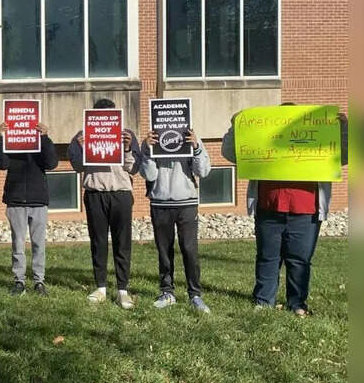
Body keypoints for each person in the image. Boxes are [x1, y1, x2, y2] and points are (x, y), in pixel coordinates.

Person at [222, 105, 348, 316]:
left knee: (300, 259)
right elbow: (231, 153)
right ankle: (263, 302)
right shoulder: (263, 141)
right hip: (268, 207)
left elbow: (343, 155)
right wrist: (237, 128)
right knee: (267, 257)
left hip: (306, 209)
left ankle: (297, 304)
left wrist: (343, 129)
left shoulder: (318, 139)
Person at [68, 98, 141, 309]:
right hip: (95, 193)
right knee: (98, 241)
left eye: (111, 115)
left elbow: (134, 168)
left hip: (121, 193)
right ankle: (100, 287)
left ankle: (122, 290)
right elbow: (77, 166)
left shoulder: (127, 135)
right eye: (101, 116)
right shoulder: (81, 136)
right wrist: (83, 147)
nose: (106, 120)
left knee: (122, 242)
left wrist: (127, 148)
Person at [140, 128, 211, 313]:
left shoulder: (192, 138)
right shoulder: (152, 140)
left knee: (189, 249)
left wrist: (195, 146)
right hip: (160, 202)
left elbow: (203, 171)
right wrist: (148, 150)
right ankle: (167, 292)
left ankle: (195, 295)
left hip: (187, 202)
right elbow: (149, 175)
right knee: (164, 250)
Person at [0, 121, 58, 296]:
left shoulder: (40, 143)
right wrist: (1, 138)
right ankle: (19, 281)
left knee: (39, 244)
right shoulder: (11, 143)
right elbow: (1, 164)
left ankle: (39, 281)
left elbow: (52, 163)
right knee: (18, 244)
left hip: (38, 200)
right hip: (15, 200)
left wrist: (44, 137)